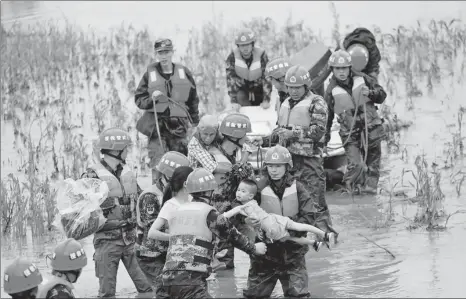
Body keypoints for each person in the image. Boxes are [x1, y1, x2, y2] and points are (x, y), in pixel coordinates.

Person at [151, 168, 267, 298]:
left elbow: (191, 241)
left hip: (165, 280)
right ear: (209, 191)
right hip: (190, 281)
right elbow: (233, 236)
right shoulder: (210, 213)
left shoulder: (178, 211)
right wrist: (254, 248)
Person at [250, 65, 336, 235]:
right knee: (291, 201)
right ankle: (296, 237)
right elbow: (280, 132)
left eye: (298, 88)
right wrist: (264, 140)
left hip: (309, 160)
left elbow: (318, 132)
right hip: (288, 162)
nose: (294, 91)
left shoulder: (316, 103)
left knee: (315, 201)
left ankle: (324, 237)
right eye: (291, 87)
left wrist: (294, 133)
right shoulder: (285, 103)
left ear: (306, 86)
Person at [243, 145, 335, 298]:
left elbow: (309, 215)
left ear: (287, 166)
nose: (274, 170)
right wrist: (249, 221)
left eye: (278, 166)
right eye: (271, 166)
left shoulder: (298, 188)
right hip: (265, 254)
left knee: (298, 295)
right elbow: (242, 208)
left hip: (293, 253)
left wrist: (285, 229)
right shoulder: (257, 188)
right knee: (254, 296)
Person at [81, 127, 152, 297]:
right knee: (107, 293)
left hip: (131, 239)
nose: (128, 151)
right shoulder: (92, 175)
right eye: (126, 148)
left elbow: (141, 199)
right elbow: (84, 210)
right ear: (116, 150)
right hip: (106, 241)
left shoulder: (126, 172)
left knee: (148, 289)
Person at [188, 112, 255, 269]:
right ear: (235, 137)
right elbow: (218, 169)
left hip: (234, 206)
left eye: (212, 134)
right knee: (223, 262)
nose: (208, 138)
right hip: (216, 206)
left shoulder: (234, 150)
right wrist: (242, 164)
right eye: (244, 136)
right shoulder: (205, 150)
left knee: (253, 244)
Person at [134, 38, 200, 184]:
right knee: (158, 162)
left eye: (166, 52)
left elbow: (193, 99)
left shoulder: (184, 72)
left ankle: (181, 193)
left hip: (179, 125)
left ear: (172, 52)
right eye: (160, 53)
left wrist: (195, 121)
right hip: (157, 126)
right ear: (156, 54)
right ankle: (157, 195)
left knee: (180, 163)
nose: (163, 56)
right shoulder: (149, 74)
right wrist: (152, 99)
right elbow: (139, 99)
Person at [324, 50, 387, 194]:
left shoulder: (364, 79)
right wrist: (324, 141)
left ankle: (369, 197)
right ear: (332, 70)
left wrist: (371, 93)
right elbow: (327, 118)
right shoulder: (330, 91)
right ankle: (350, 191)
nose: (341, 72)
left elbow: (382, 95)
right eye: (337, 68)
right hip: (350, 134)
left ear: (349, 67)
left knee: (373, 167)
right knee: (356, 165)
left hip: (371, 129)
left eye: (344, 68)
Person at [223, 178, 335, 251]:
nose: (238, 193)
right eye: (238, 190)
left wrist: (223, 216)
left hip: (272, 227)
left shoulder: (244, 207)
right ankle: (321, 236)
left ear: (251, 196)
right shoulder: (252, 202)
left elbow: (254, 219)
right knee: (296, 230)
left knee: (291, 237)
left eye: (243, 191)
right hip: (274, 218)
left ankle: (314, 242)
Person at [135, 151, 189, 298]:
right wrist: (180, 237)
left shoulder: (177, 195)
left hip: (168, 252)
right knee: (165, 291)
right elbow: (154, 231)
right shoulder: (150, 196)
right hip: (151, 255)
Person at [226, 28, 272, 110]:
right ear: (238, 46)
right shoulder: (232, 57)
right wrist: (234, 101)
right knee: (242, 106)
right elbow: (231, 80)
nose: (245, 48)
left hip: (259, 90)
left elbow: (267, 78)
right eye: (242, 45)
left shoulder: (261, 55)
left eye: (247, 44)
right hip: (242, 91)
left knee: (262, 110)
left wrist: (266, 99)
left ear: (252, 44)